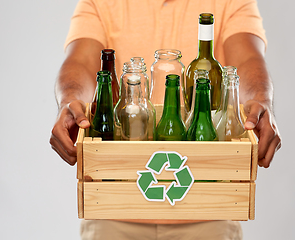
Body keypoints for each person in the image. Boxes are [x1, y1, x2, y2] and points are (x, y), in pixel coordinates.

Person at [49, 0, 282, 239]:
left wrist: (260, 99)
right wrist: (70, 99)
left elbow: (247, 60)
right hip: (115, 207)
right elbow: (80, 61)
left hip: (206, 210)